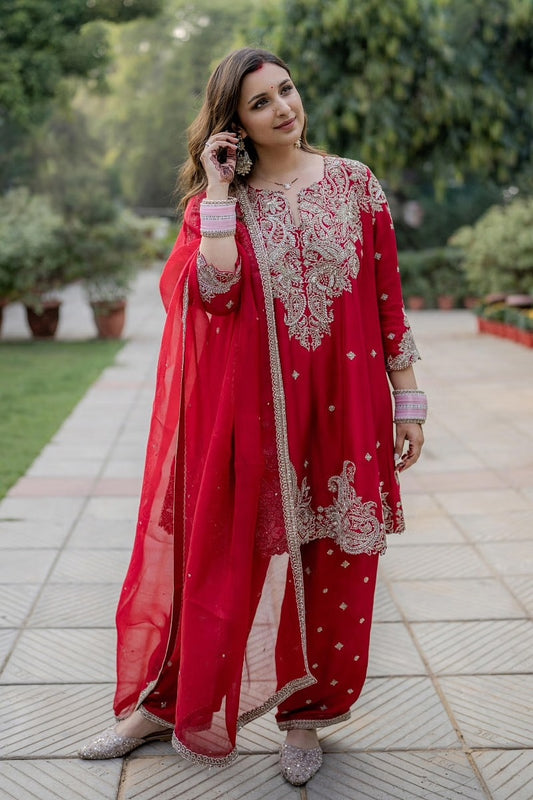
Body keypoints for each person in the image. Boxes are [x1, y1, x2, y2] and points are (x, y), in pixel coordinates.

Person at [79, 47, 426, 786]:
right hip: (253, 414)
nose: (283, 108)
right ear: (232, 124)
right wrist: (215, 189)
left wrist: (408, 401)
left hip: (347, 406)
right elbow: (210, 292)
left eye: (286, 90)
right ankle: (169, 701)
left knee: (337, 560)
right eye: (260, 102)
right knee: (216, 562)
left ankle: (305, 717)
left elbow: (386, 298)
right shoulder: (219, 208)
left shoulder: (355, 184)